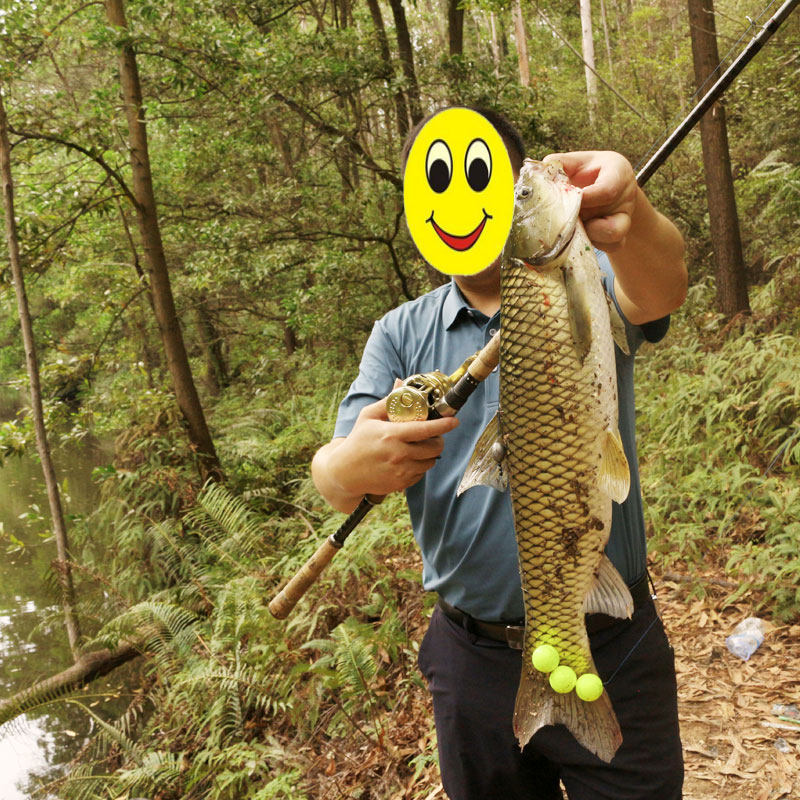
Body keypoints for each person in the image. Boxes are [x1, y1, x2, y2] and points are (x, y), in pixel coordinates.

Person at [311, 107, 688, 800]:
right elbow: (333, 478)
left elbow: (662, 286)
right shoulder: (399, 333)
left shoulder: (590, 276)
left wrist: (632, 212)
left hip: (613, 640)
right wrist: (349, 463)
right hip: (471, 658)